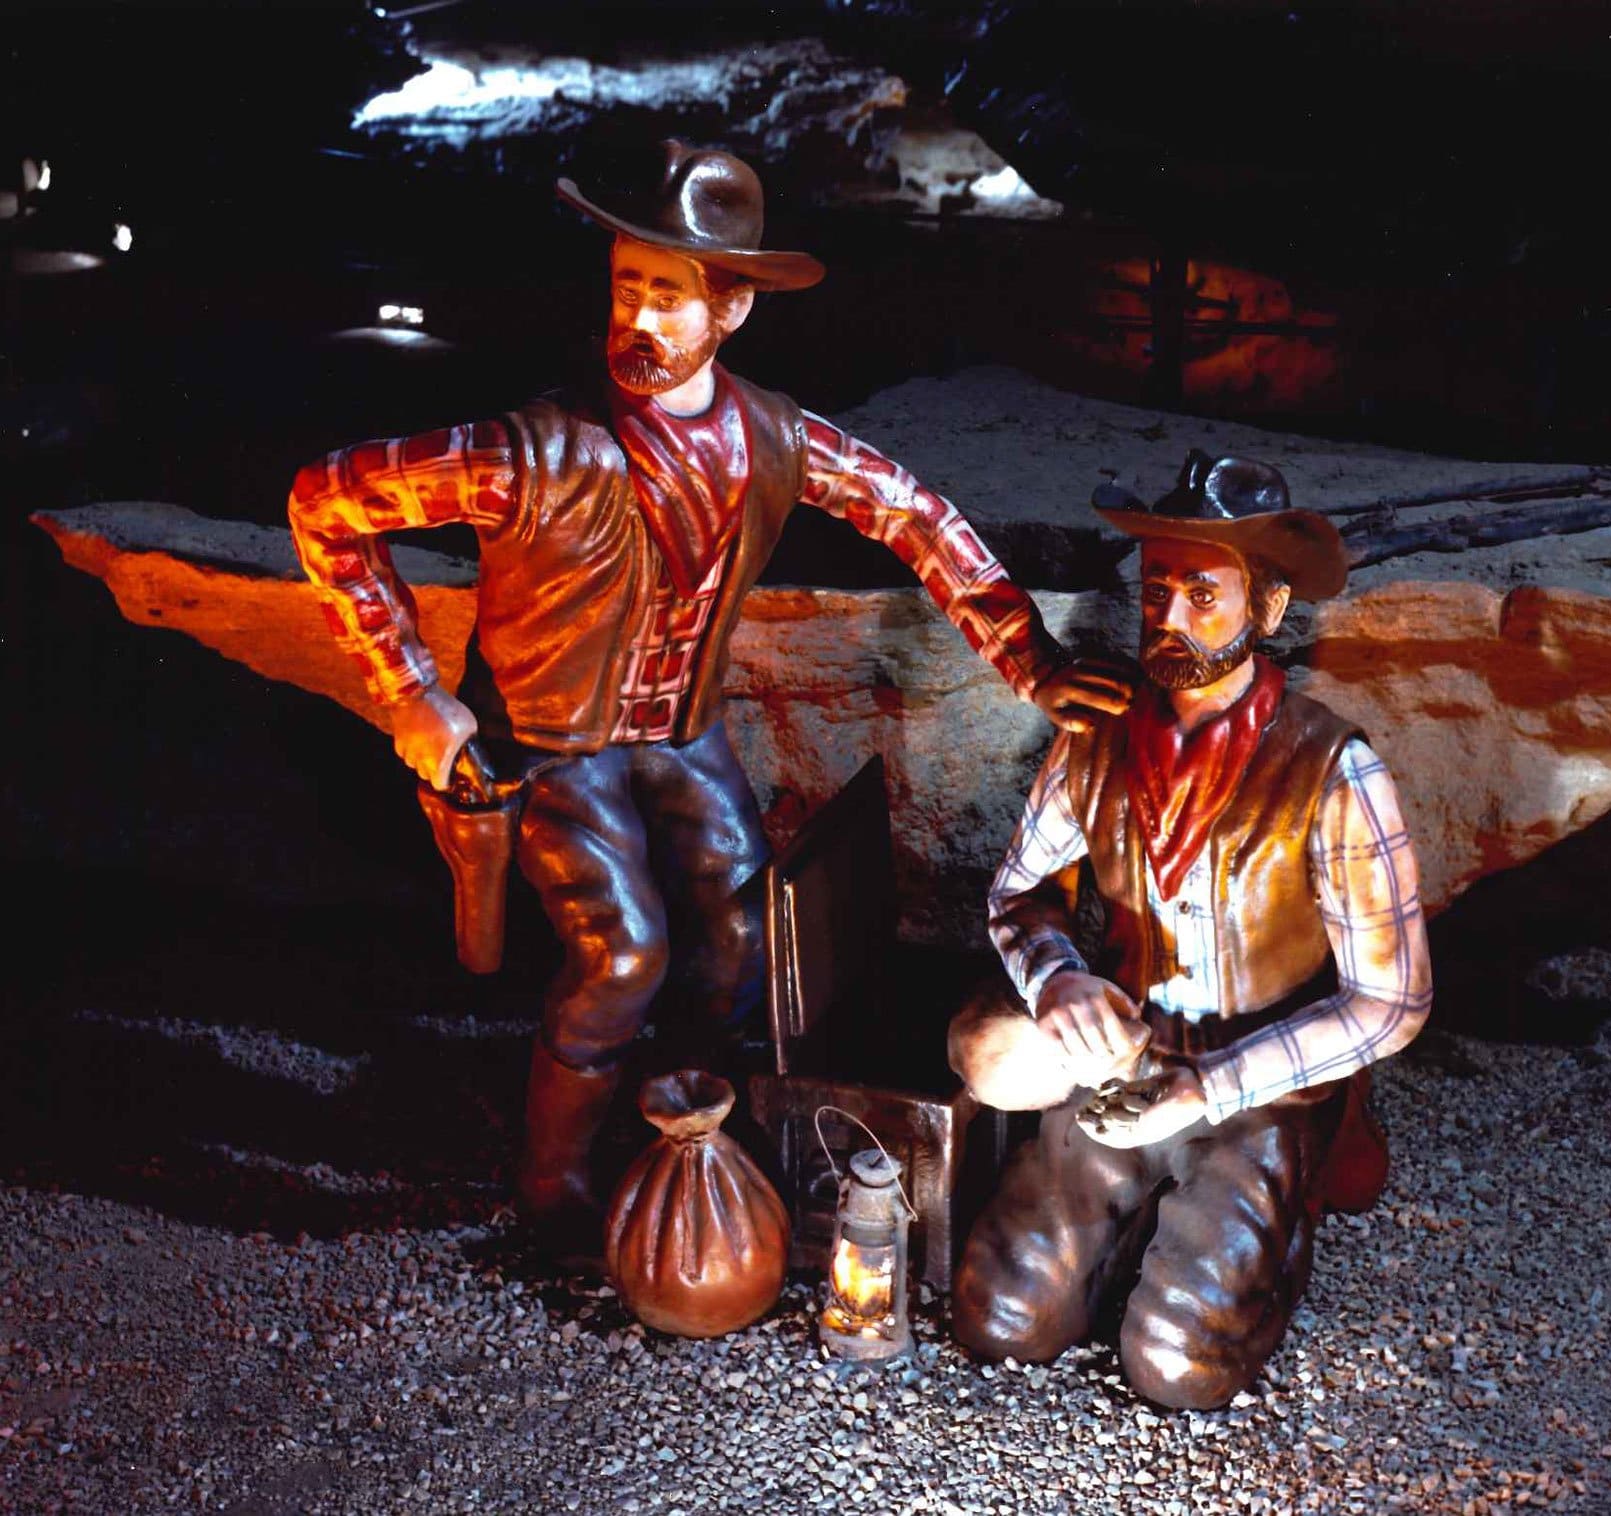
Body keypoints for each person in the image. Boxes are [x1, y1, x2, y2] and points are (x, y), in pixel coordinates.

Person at [287, 141, 1128, 1249]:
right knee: (622, 950)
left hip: (683, 736)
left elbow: (913, 514)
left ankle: (675, 1139)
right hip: (551, 744)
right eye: (626, 286)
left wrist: (1036, 665)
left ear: (730, 309)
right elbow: (327, 502)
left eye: (667, 297)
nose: (636, 318)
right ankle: (549, 1188)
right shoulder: (527, 453)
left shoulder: (773, 438)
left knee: (741, 938)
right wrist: (412, 695)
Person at [948, 449, 1432, 1409]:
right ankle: (1128, 1232)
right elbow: (1018, 894)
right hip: (1123, 1071)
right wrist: (1058, 982)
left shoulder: (1335, 772)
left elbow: (1393, 999)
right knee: (998, 1321)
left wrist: (1215, 1085)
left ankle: (1268, 1227)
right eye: (1156, 588)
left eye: (1201, 594)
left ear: (1269, 610)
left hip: (1258, 1091)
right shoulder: (1095, 739)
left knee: (1177, 1368)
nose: (1167, 617)